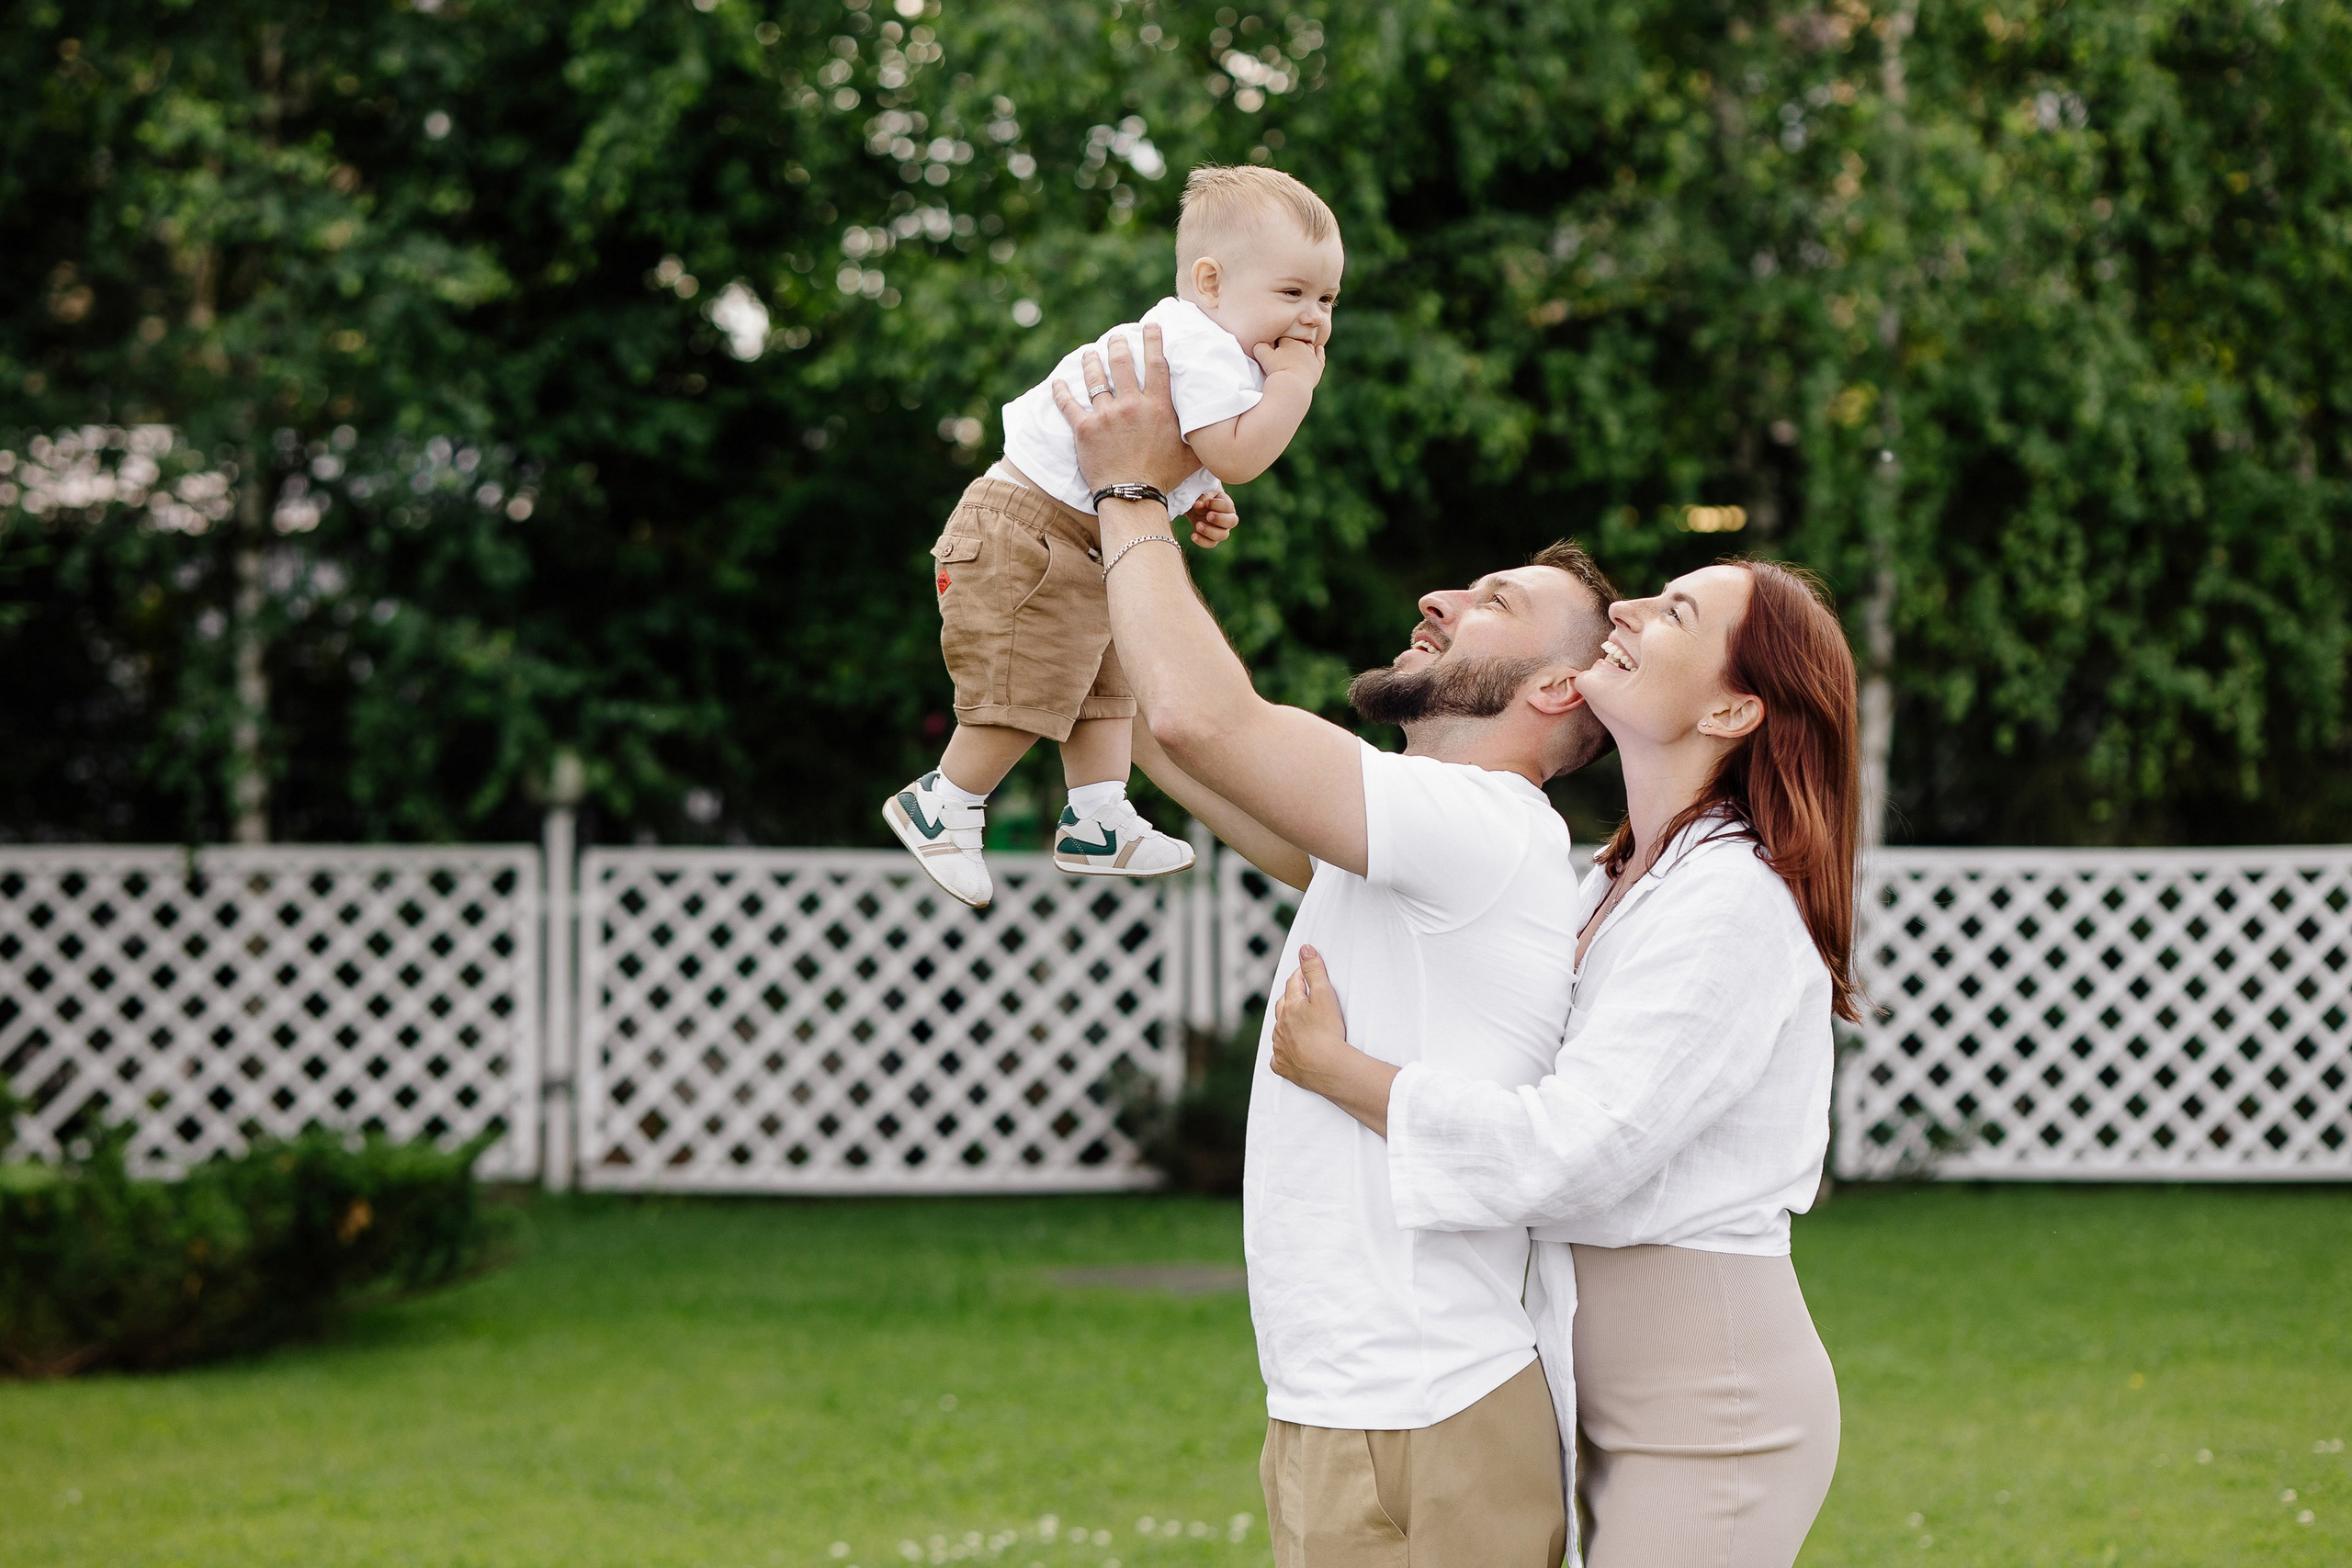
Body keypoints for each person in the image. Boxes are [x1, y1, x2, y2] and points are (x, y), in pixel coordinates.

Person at [1052, 326, 1618, 1566]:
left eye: (1497, 604)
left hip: (1431, 1412)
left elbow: (1207, 714)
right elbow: (1157, 724)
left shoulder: (1482, 828)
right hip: (1339, 1402)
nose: (1441, 599)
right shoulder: (1402, 855)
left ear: (1557, 692)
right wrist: (1078, 516)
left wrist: (1134, 491)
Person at [1268, 557, 1860, 1568]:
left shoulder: (1733, 904)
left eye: (1674, 612)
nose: (1626, 610)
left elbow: (1575, 1149)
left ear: (1731, 715)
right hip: (1590, 1370)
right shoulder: (1615, 876)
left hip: (1709, 1404)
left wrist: (1343, 1073)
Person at [882, 164, 1344, 908]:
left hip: (1073, 535)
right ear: (1211, 282)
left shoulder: (1200, 345)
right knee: (1029, 684)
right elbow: (1238, 452)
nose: (1314, 319)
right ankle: (943, 800)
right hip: (1027, 532)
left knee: (1105, 682)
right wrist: (1295, 387)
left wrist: (1198, 495)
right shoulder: (1203, 347)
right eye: (1291, 294)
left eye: (1327, 299)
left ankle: (1097, 816)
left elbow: (1181, 452)